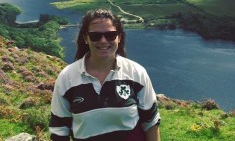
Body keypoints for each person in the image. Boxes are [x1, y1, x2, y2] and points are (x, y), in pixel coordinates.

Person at [49, 8, 160, 140]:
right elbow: (59, 130)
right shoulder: (67, 78)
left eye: (110, 35)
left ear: (119, 37)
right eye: (95, 36)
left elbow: (151, 122)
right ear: (86, 38)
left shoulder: (136, 73)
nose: (103, 41)